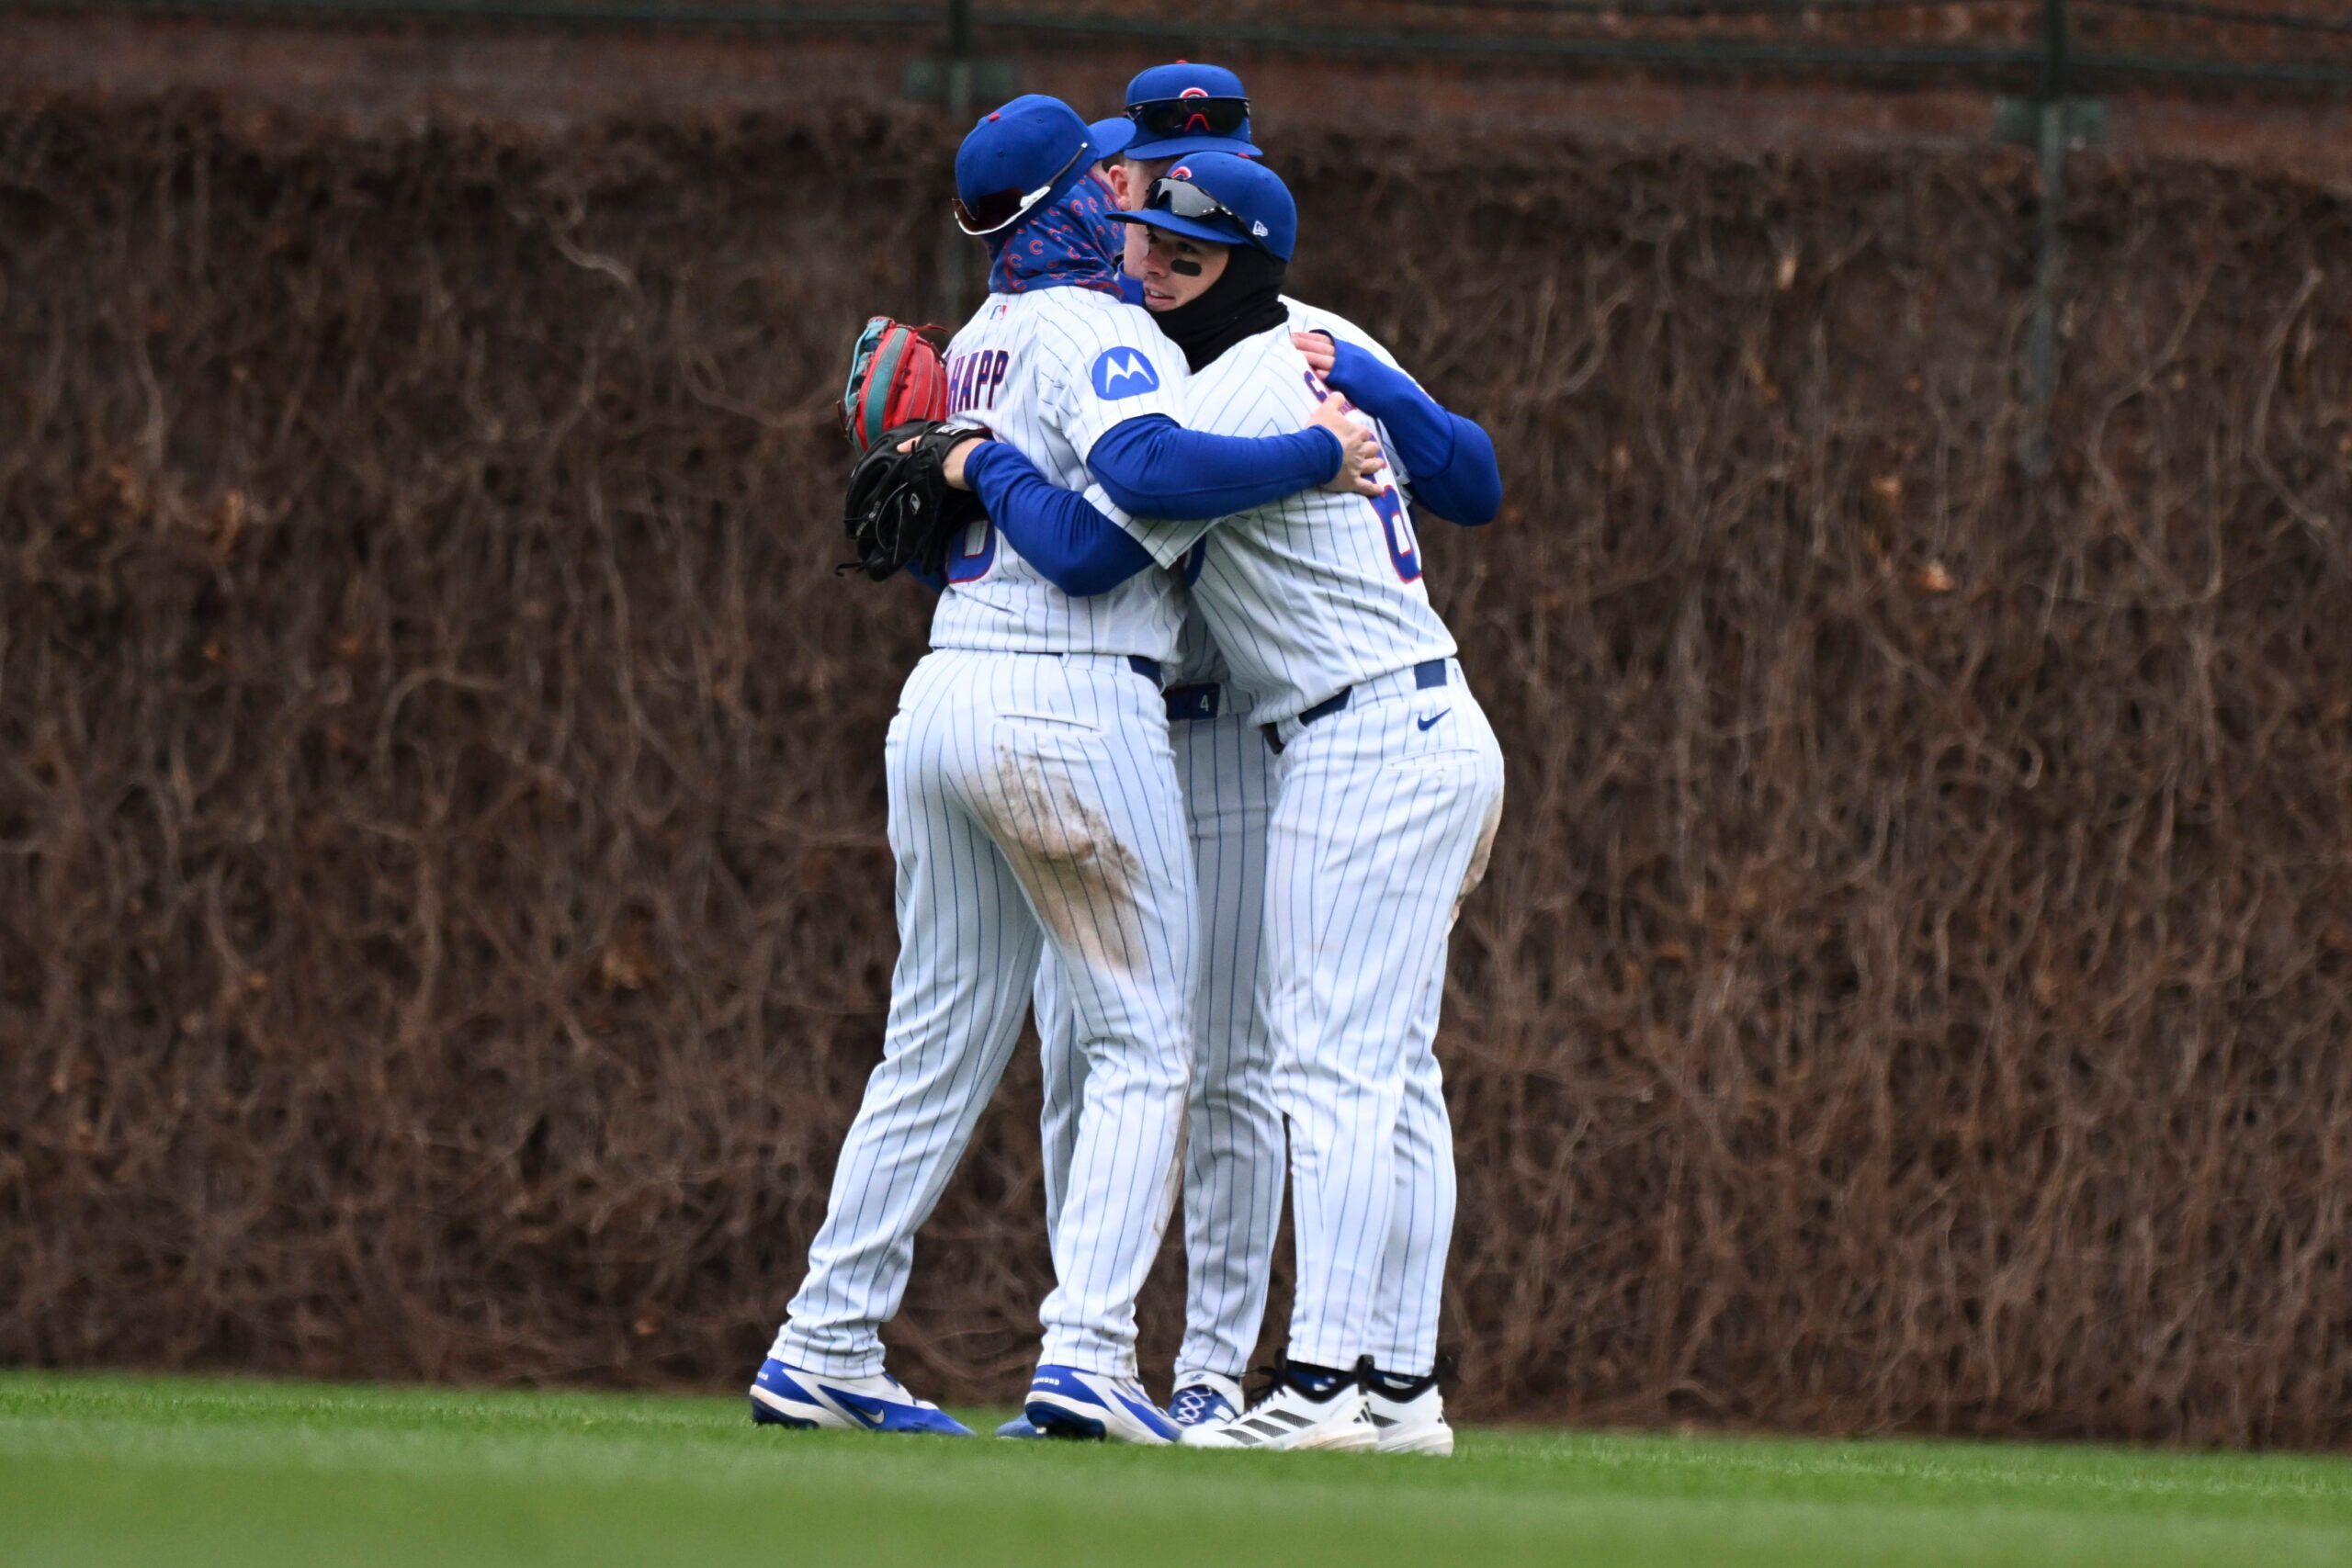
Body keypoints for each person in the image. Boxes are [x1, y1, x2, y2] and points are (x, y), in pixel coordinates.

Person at [748, 97, 1382, 1445]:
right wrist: (1321, 453)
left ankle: (824, 1341)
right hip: (1067, 706)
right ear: (1063, 204)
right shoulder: (1101, 331)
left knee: (930, 1048)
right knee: (1150, 1036)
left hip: (942, 696)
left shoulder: (973, 342)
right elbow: (1115, 530)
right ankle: (1090, 1354)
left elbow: (946, 529)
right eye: (1100, 176)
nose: (1120, 189)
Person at [949, 152, 1505, 1454]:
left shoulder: (1240, 378)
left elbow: (1119, 513)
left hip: (1361, 732)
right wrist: (1363, 393)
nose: (1144, 271)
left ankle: (1318, 1387)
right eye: (1139, 243)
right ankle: (1403, 1393)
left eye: (1179, 257)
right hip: (1421, 723)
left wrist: (977, 463)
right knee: (1389, 1075)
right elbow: (1470, 473)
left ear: (1242, 270)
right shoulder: (1313, 341)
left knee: (1332, 1070)